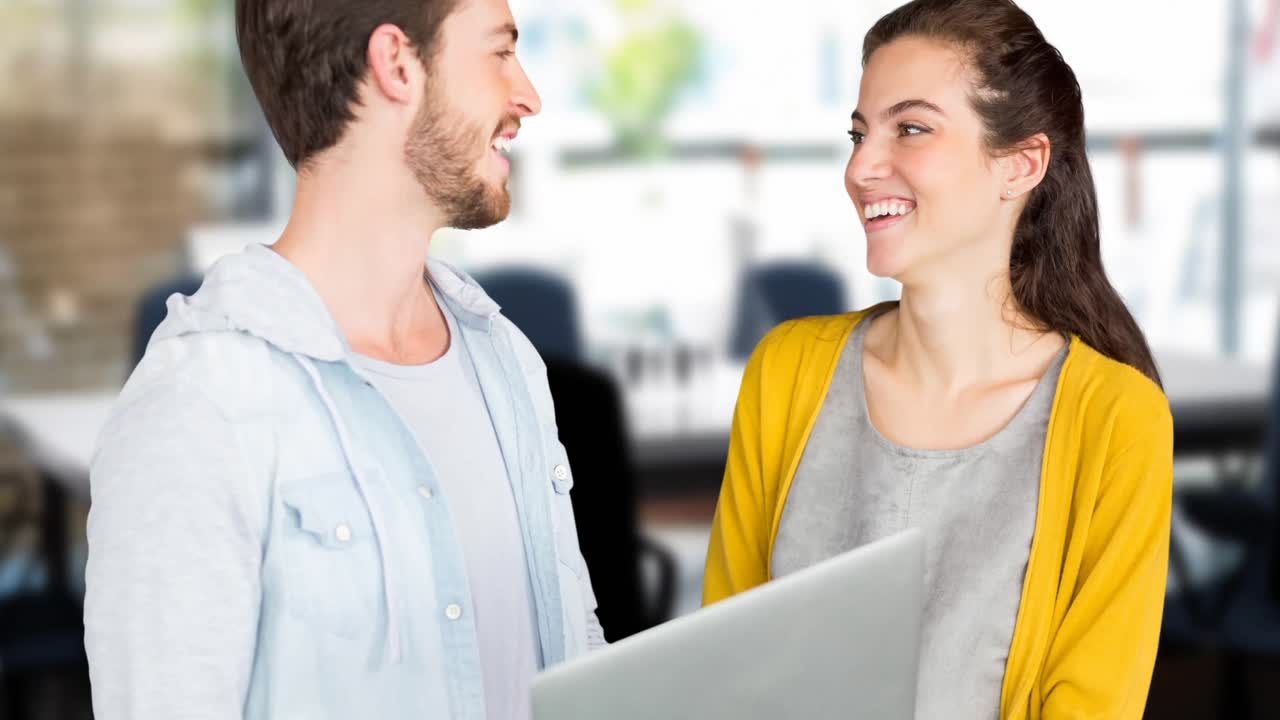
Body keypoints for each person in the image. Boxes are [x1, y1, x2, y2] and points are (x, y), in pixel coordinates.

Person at [84, 1, 604, 718]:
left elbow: (577, 656)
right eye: (499, 52)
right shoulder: (197, 410)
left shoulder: (505, 360)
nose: (528, 96)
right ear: (397, 65)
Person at [701, 1, 1172, 717]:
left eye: (911, 129)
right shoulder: (787, 371)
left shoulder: (1117, 420)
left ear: (1021, 164)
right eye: (858, 135)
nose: (861, 167)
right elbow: (720, 671)